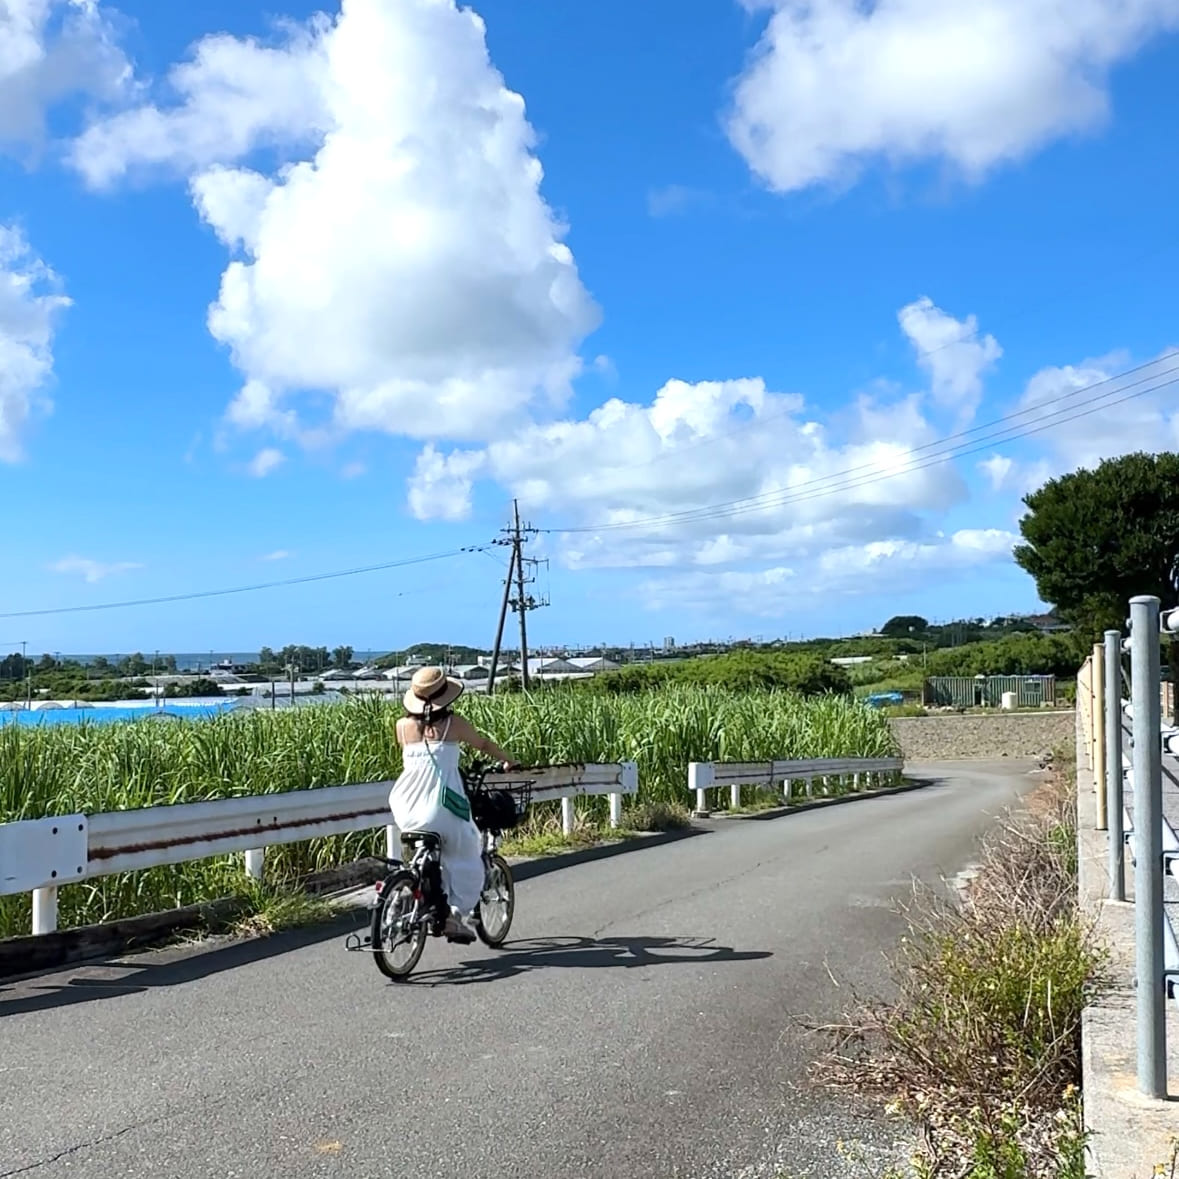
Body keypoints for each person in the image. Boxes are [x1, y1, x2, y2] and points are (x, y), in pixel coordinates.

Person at [388, 666, 520, 943]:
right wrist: (507, 760)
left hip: (405, 802)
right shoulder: (453, 724)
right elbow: (483, 744)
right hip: (440, 803)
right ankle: (455, 915)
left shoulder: (402, 726)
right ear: (444, 696)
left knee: (433, 849)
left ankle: (424, 895)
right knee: (467, 852)